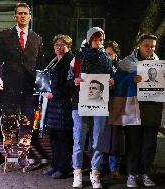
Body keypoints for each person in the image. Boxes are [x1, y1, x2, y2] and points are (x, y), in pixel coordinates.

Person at [0, 2, 45, 168]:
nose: (22, 16)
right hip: (9, 88)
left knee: (27, 122)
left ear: (30, 16)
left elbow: (40, 65)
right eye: (19, 13)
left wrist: (43, 86)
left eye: (25, 13)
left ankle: (23, 155)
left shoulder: (37, 39)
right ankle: (8, 155)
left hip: (28, 89)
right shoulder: (5, 36)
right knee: (8, 123)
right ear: (15, 16)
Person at [112, 34, 159, 188]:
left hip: (152, 109)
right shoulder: (126, 63)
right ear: (139, 45)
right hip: (132, 109)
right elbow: (117, 84)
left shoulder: (159, 65)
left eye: (152, 46)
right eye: (147, 45)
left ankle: (145, 173)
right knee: (133, 143)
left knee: (149, 144)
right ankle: (131, 174)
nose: (150, 48)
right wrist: (132, 79)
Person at [72, 27, 113, 188]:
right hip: (79, 102)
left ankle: (95, 173)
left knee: (98, 140)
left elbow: (111, 74)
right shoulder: (78, 57)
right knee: (79, 139)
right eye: (95, 39)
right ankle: (77, 172)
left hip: (100, 103)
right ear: (89, 40)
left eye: (101, 40)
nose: (98, 42)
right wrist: (74, 81)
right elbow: (70, 78)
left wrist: (111, 81)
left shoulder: (106, 58)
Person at [41, 34, 74, 179]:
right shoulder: (54, 60)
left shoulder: (70, 61)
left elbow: (70, 83)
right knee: (53, 136)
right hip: (53, 104)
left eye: (62, 45)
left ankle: (63, 168)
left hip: (63, 103)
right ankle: (54, 164)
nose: (59, 47)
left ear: (68, 47)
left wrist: (55, 94)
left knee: (63, 138)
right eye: (57, 45)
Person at [98, 40, 124, 179]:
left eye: (110, 54)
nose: (107, 57)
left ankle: (114, 168)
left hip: (116, 104)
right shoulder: (99, 66)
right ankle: (100, 166)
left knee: (116, 137)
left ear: (115, 55)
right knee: (102, 135)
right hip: (101, 104)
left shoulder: (121, 68)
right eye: (105, 54)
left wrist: (116, 82)